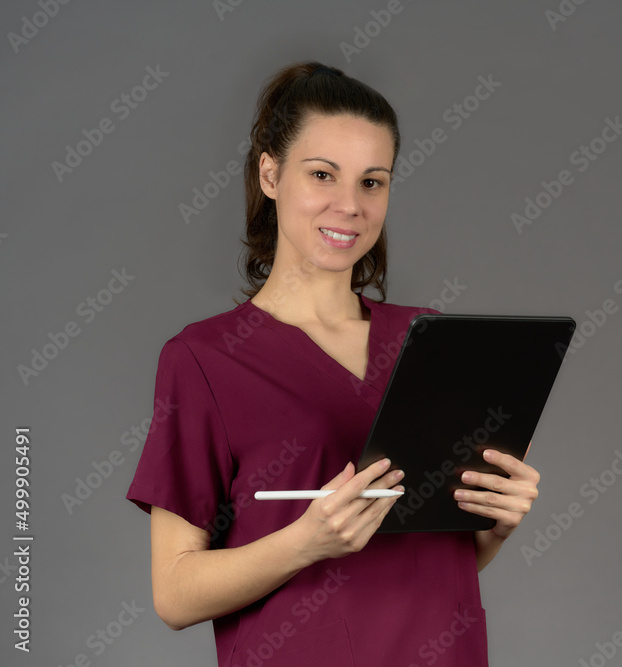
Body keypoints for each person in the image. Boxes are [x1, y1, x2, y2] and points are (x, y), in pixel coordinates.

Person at [126, 61, 541, 667]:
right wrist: (306, 541)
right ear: (270, 174)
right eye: (323, 174)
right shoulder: (205, 359)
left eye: (372, 182)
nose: (349, 205)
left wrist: (494, 525)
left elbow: (439, 558)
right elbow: (174, 593)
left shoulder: (430, 342)